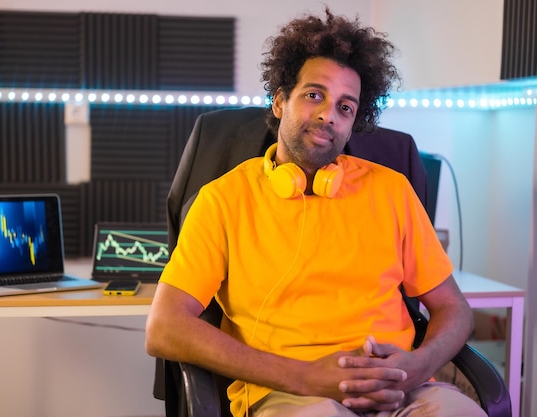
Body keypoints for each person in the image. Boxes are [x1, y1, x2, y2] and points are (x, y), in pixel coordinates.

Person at [145, 7, 485, 417]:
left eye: (346, 107)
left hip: (401, 391)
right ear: (279, 101)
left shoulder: (392, 189)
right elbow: (164, 327)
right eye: (314, 95)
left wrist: (417, 367)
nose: (328, 114)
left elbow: (455, 308)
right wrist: (304, 377)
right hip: (290, 394)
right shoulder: (222, 199)